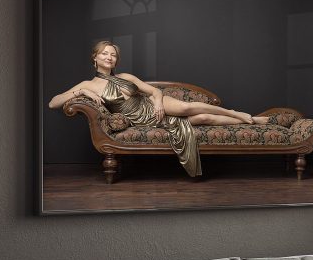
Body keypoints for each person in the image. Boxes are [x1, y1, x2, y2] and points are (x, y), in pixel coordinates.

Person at [48, 40, 270, 177]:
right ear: (95, 57)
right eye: (105, 53)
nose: (109, 57)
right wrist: (81, 92)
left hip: (153, 107)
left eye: (113, 54)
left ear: (116, 61)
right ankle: (248, 120)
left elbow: (154, 91)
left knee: (185, 106)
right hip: (140, 120)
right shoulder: (88, 85)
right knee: (202, 118)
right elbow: (53, 102)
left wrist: (157, 103)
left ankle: (240, 114)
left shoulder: (125, 76)